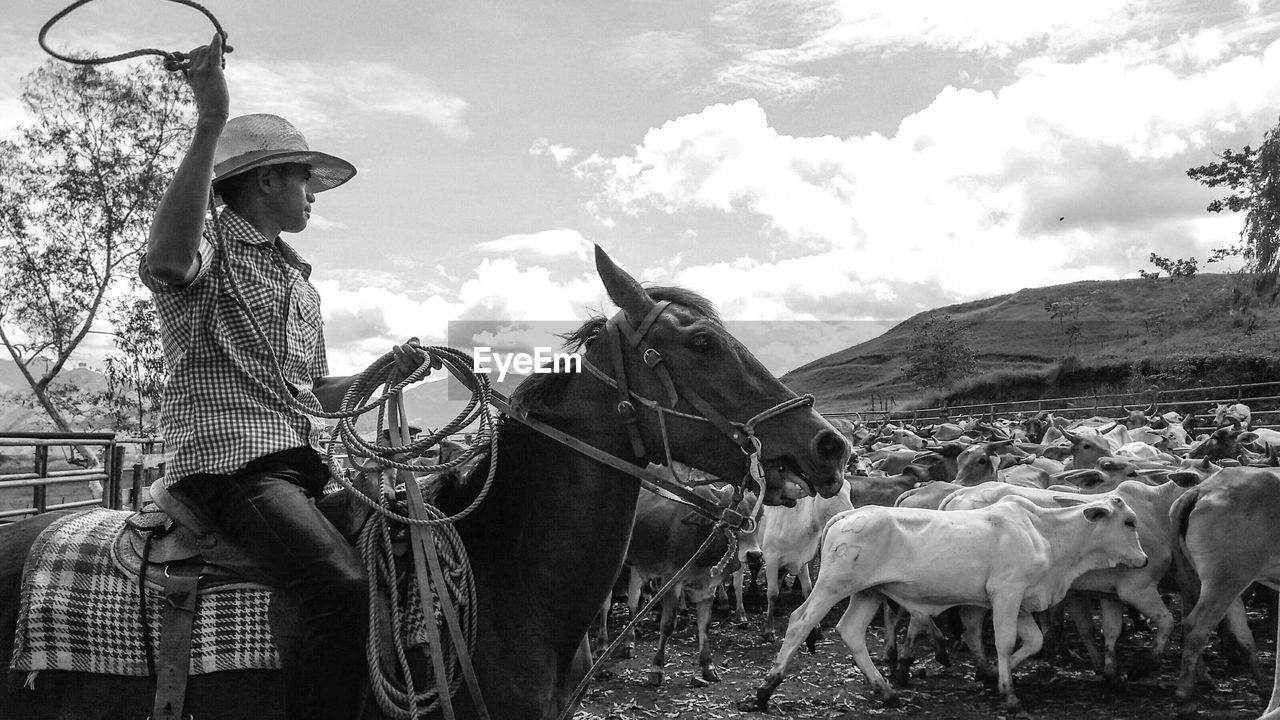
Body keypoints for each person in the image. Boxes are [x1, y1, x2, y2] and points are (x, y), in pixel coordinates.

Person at [140, 34, 424, 719]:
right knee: (339, 591)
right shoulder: (208, 246)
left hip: (300, 461)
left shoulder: (300, 283)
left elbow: (314, 391)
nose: (314, 198)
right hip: (230, 466)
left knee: (411, 555)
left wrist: (389, 368)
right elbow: (167, 261)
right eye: (305, 179)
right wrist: (210, 120)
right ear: (267, 180)